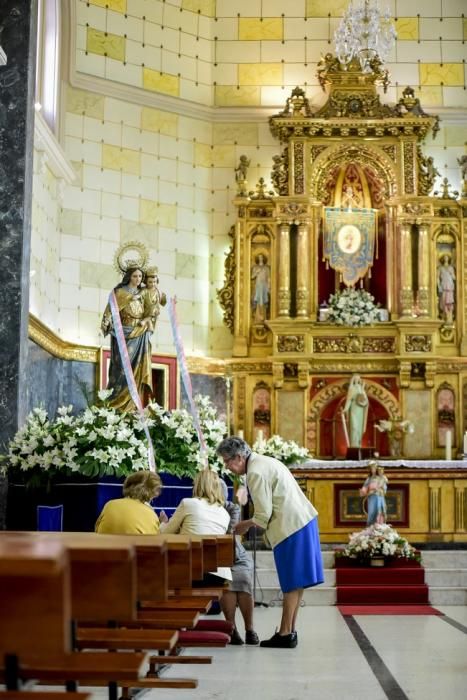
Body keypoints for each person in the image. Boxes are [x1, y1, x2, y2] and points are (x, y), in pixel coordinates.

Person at [216, 436, 324, 649]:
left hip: (290, 526)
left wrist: (243, 526)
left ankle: (285, 633)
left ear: (239, 456)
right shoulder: (265, 462)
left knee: (292, 581)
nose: (227, 466)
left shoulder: (255, 471)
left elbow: (263, 515)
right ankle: (290, 631)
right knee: (297, 581)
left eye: (227, 461)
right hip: (302, 521)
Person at [101, 266, 155, 411]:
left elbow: (152, 310)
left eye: (140, 277)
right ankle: (116, 405)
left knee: (136, 368)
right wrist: (107, 321)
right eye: (135, 276)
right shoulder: (119, 292)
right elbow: (110, 310)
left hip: (139, 330)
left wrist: (147, 321)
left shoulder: (144, 293)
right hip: (122, 332)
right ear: (129, 277)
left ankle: (132, 407)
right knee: (122, 369)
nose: (138, 279)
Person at [159, 470, 231, 580]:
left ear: (197, 485)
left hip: (191, 570)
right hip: (219, 575)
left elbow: (165, 533)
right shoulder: (225, 514)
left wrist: (163, 523)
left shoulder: (188, 503)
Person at [218, 480, 258, 646]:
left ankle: (249, 629)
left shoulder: (231, 507)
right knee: (227, 581)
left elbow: (231, 530)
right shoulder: (198, 506)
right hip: (216, 553)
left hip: (233, 550)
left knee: (243, 578)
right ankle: (232, 628)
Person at [95, 470, 161, 534]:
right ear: (152, 493)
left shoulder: (109, 505)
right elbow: (152, 541)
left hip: (103, 544)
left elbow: (97, 529)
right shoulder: (151, 515)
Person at [341, 374, 369, 448]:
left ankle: (358, 444)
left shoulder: (361, 388)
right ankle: (353, 445)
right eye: (355, 378)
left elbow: (365, 400)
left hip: (360, 410)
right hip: (353, 409)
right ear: (353, 380)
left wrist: (363, 389)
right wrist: (345, 409)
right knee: (354, 427)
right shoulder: (351, 388)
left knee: (359, 428)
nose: (357, 380)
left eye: (358, 379)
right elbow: (349, 400)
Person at [142, 267, 167, 332]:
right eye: (150, 282)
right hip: (145, 312)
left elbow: (164, 302)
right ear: (146, 282)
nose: (153, 284)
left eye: (155, 282)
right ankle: (146, 320)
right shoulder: (144, 290)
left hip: (154, 315)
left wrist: (171, 301)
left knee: (151, 331)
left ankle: (148, 321)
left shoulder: (159, 292)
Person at [251, 253, 271, 323]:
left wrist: (269, 286)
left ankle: (264, 316)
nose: (260, 259)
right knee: (259, 300)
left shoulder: (266, 268)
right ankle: (258, 317)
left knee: (264, 300)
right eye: (259, 257)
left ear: (263, 258)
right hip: (258, 285)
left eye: (262, 257)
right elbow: (252, 277)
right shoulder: (255, 267)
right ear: (257, 259)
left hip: (264, 285)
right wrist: (256, 272)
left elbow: (269, 278)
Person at [437, 254, 456, 322]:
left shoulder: (451, 268)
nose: (446, 259)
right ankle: (444, 315)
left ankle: (450, 316)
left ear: (449, 259)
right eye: (444, 257)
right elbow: (438, 278)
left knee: (450, 302)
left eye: (447, 257)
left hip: (450, 286)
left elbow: (454, 278)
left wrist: (451, 273)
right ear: (443, 259)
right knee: (443, 301)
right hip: (443, 286)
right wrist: (439, 286)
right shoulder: (440, 268)